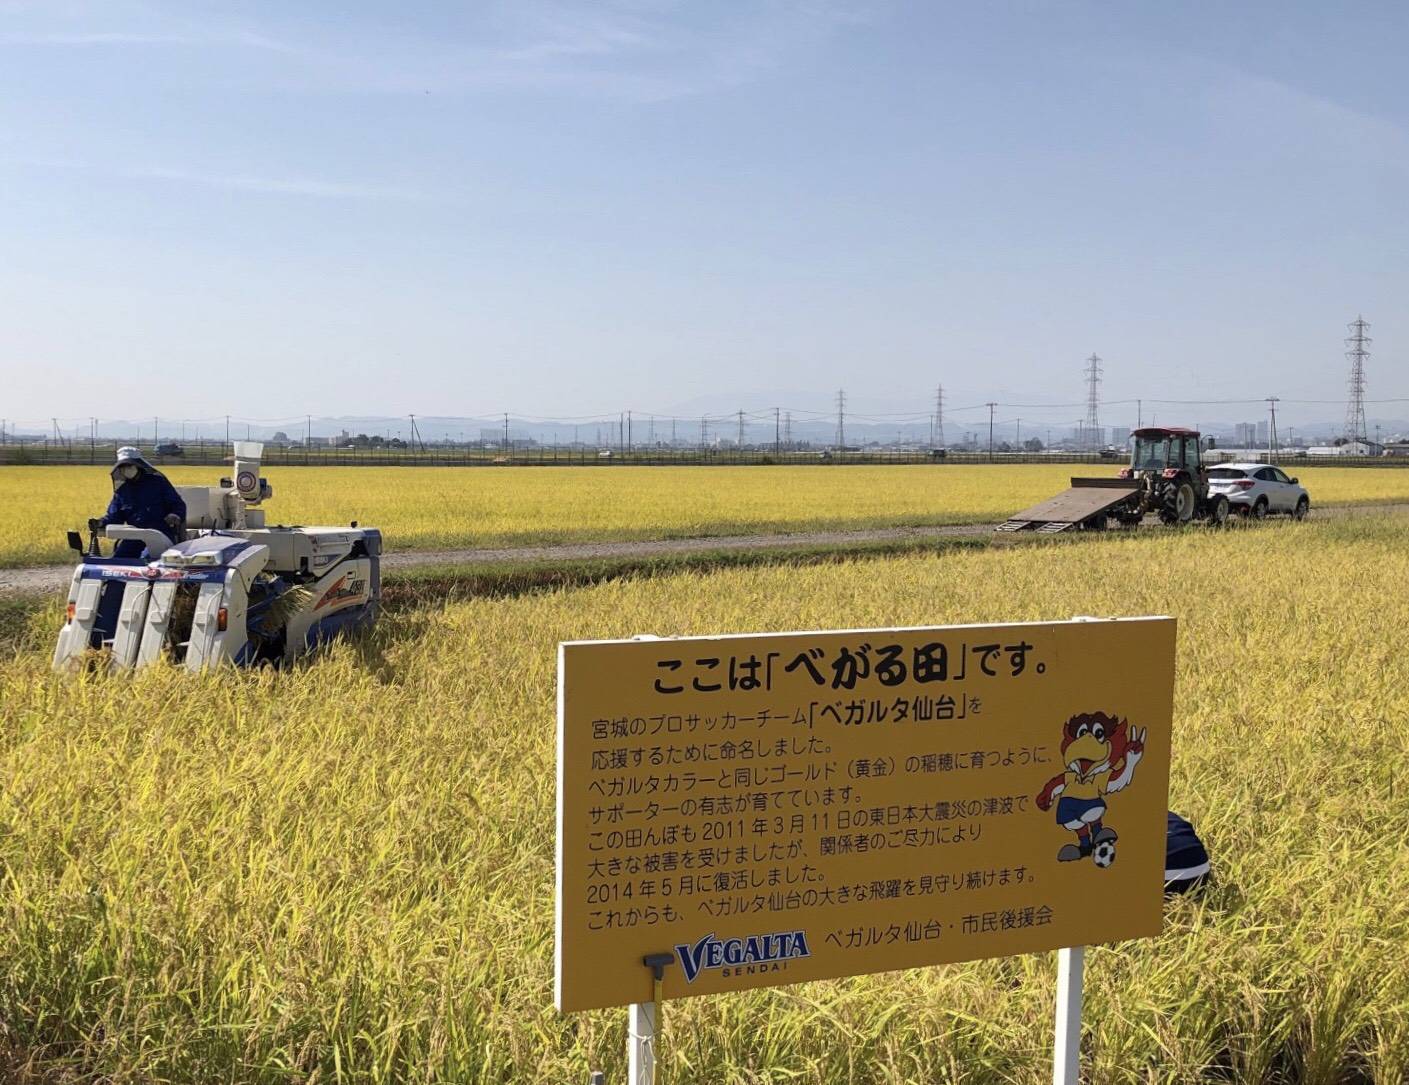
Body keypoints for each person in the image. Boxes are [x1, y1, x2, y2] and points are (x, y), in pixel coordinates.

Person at [89, 447, 186, 558]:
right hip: (134, 536)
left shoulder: (158, 483)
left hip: (160, 534)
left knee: (147, 560)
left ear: (138, 466)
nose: (126, 470)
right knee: (119, 559)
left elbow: (178, 505)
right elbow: (115, 517)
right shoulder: (122, 492)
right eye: (122, 467)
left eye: (129, 466)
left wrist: (174, 515)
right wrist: (100, 522)